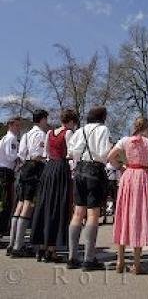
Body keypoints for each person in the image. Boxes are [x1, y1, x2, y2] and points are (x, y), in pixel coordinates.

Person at [108, 117, 148, 274]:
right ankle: (137, 264)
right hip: (142, 177)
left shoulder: (124, 140)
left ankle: (120, 261)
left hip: (128, 176)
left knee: (123, 215)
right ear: (145, 128)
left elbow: (110, 156)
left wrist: (120, 166)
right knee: (138, 217)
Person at [30, 109, 79, 262]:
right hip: (60, 170)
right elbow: (71, 153)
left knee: (45, 205)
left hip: (48, 169)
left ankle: (41, 248)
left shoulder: (50, 133)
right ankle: (51, 250)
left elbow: (46, 153)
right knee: (57, 206)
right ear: (71, 121)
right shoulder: (68, 133)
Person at [67, 106, 111, 271]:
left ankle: (72, 257)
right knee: (93, 214)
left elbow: (71, 151)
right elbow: (103, 153)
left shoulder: (80, 131)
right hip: (95, 170)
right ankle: (88, 258)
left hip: (79, 171)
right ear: (102, 117)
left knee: (78, 213)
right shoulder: (103, 129)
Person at [9, 109, 48, 258]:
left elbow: (21, 154)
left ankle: (13, 244)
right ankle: (19, 246)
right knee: (27, 204)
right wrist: (46, 158)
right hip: (35, 168)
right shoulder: (40, 134)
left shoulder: (26, 134)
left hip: (25, 168)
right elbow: (38, 154)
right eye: (46, 119)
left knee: (20, 204)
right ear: (42, 119)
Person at [0, 117, 21, 248]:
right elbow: (11, 156)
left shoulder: (4, 138)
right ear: (10, 125)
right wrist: (21, 155)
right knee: (5, 203)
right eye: (17, 126)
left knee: (3, 203)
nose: (19, 128)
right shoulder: (11, 138)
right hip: (5, 172)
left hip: (3, 171)